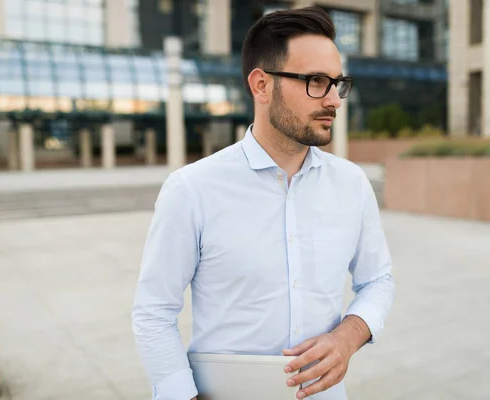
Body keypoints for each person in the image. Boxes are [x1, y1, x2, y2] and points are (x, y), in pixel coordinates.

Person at [132, 6, 395, 400]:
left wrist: (348, 336)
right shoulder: (192, 189)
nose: (334, 101)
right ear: (261, 85)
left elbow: (378, 280)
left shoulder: (352, 184)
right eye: (316, 81)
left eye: (337, 83)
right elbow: (154, 310)